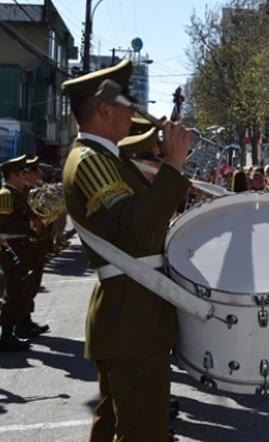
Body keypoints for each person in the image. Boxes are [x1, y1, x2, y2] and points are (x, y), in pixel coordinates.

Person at [60, 59, 192, 440]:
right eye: (127, 105)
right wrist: (173, 164)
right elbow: (138, 231)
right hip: (131, 317)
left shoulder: (106, 158)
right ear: (105, 108)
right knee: (142, 433)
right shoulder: (91, 160)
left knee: (115, 425)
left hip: (131, 316)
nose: (134, 113)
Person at [0, 155, 43, 350]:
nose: (24, 176)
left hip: (23, 247)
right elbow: (3, 225)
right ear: (13, 175)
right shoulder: (6, 195)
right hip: (12, 248)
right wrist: (29, 224)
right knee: (14, 291)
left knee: (21, 291)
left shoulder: (17, 193)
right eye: (21, 173)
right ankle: (6, 335)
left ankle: (19, 326)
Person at [21, 156, 52, 339]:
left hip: (36, 245)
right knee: (24, 287)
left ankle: (26, 320)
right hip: (26, 245)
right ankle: (21, 323)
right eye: (36, 172)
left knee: (32, 285)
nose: (39, 175)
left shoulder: (33, 190)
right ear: (28, 174)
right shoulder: (20, 193)